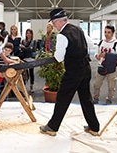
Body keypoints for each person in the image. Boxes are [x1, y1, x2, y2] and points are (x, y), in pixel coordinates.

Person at [39, 8, 100, 137]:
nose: (54, 26)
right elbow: (90, 44)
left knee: (62, 98)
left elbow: (59, 57)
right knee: (86, 98)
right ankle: (94, 127)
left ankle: (52, 127)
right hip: (86, 68)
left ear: (58, 21)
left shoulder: (62, 35)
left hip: (73, 72)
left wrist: (58, 53)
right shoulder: (78, 29)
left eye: (54, 23)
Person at [93, 25, 117, 105]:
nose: (106, 34)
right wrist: (97, 56)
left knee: (111, 87)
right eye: (105, 32)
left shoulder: (116, 44)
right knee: (96, 85)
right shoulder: (101, 42)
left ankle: (109, 100)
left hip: (111, 69)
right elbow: (96, 51)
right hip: (101, 67)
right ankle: (95, 98)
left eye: (109, 32)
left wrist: (107, 56)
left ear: (113, 33)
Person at [20, 28, 37, 93]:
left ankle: (31, 86)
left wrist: (25, 48)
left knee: (31, 72)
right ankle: (23, 86)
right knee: (24, 73)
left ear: (31, 34)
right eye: (27, 33)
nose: (28, 34)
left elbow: (33, 50)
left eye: (30, 33)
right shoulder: (23, 41)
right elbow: (23, 50)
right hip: (24, 58)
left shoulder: (34, 41)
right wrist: (28, 48)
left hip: (31, 58)